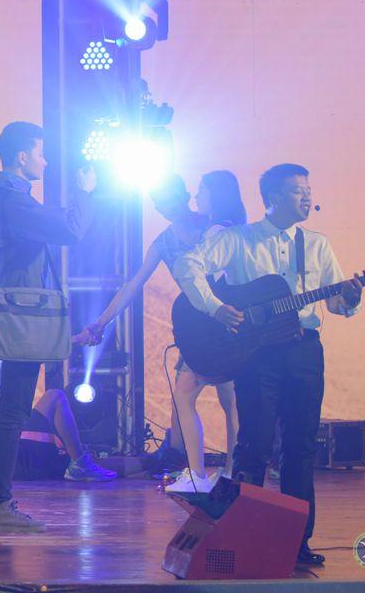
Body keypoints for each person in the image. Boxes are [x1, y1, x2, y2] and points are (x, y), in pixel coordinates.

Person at [175, 163, 362, 567]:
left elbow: (335, 302)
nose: (307, 197)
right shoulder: (238, 239)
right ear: (272, 198)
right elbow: (187, 265)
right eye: (297, 191)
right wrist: (214, 307)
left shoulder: (317, 244)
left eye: (309, 190)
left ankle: (298, 542)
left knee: (301, 446)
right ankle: (243, 536)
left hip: (304, 351)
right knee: (254, 445)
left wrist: (350, 298)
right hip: (257, 355)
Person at [76, 171, 247, 493]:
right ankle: (208, 473)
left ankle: (221, 474)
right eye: (157, 202)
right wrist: (102, 322)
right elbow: (133, 285)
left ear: (184, 196)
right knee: (196, 396)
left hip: (220, 321)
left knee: (224, 398)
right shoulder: (165, 241)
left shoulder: (215, 227)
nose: (162, 206)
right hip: (199, 328)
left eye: (166, 199)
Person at [0, 121, 94, 533]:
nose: (45, 160)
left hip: (8, 315)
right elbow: (70, 229)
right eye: (40, 152)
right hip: (19, 318)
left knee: (1, 413)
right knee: (10, 414)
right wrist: (85, 192)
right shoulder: (13, 201)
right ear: (22, 157)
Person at [0, 332, 118, 485]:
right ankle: (80, 464)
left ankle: (81, 461)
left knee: (94, 460)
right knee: (55, 397)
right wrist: (78, 339)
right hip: (18, 462)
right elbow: (34, 358)